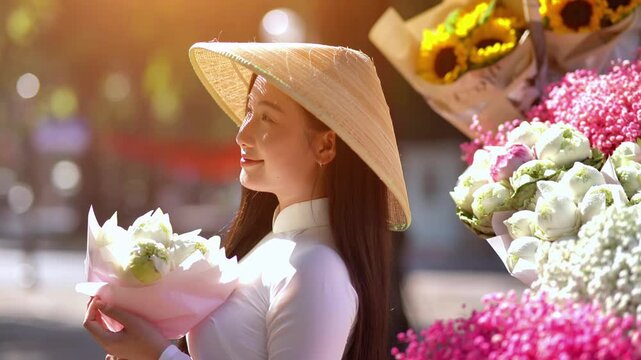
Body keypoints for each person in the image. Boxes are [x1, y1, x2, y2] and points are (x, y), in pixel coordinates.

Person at [83, 41, 412, 360]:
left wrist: (156, 356)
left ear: (325, 146)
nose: (242, 134)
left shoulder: (316, 268)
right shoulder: (274, 246)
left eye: (267, 118)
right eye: (249, 112)